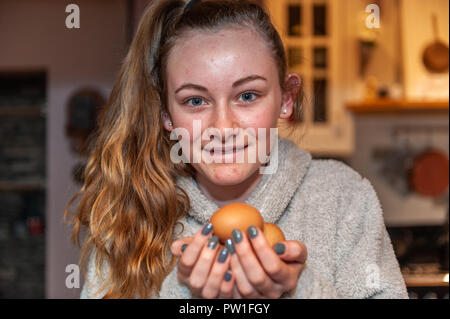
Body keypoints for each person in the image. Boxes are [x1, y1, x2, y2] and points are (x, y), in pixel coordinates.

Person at [65, 0, 408, 299]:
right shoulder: (129, 212)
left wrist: (297, 289)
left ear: (286, 99)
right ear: (166, 115)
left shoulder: (343, 199)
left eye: (247, 96)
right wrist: (185, 294)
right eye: (195, 101)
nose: (224, 127)